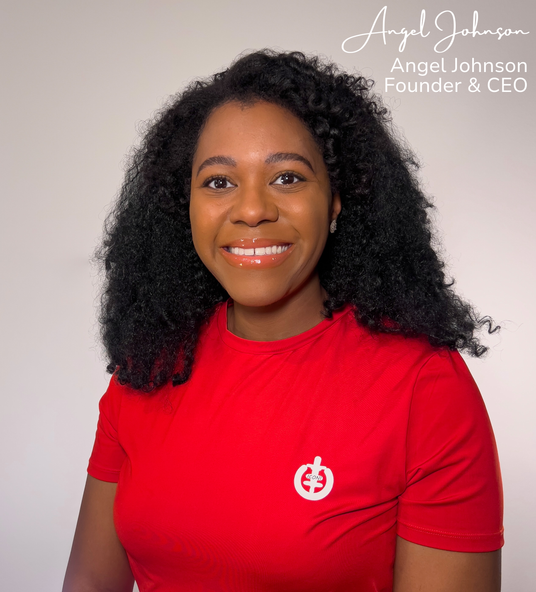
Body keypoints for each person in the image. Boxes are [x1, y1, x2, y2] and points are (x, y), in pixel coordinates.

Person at [63, 49, 503, 592]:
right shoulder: (149, 364)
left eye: (288, 178)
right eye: (219, 182)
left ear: (337, 201)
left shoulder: (423, 388)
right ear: (186, 207)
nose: (251, 210)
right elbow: (88, 582)